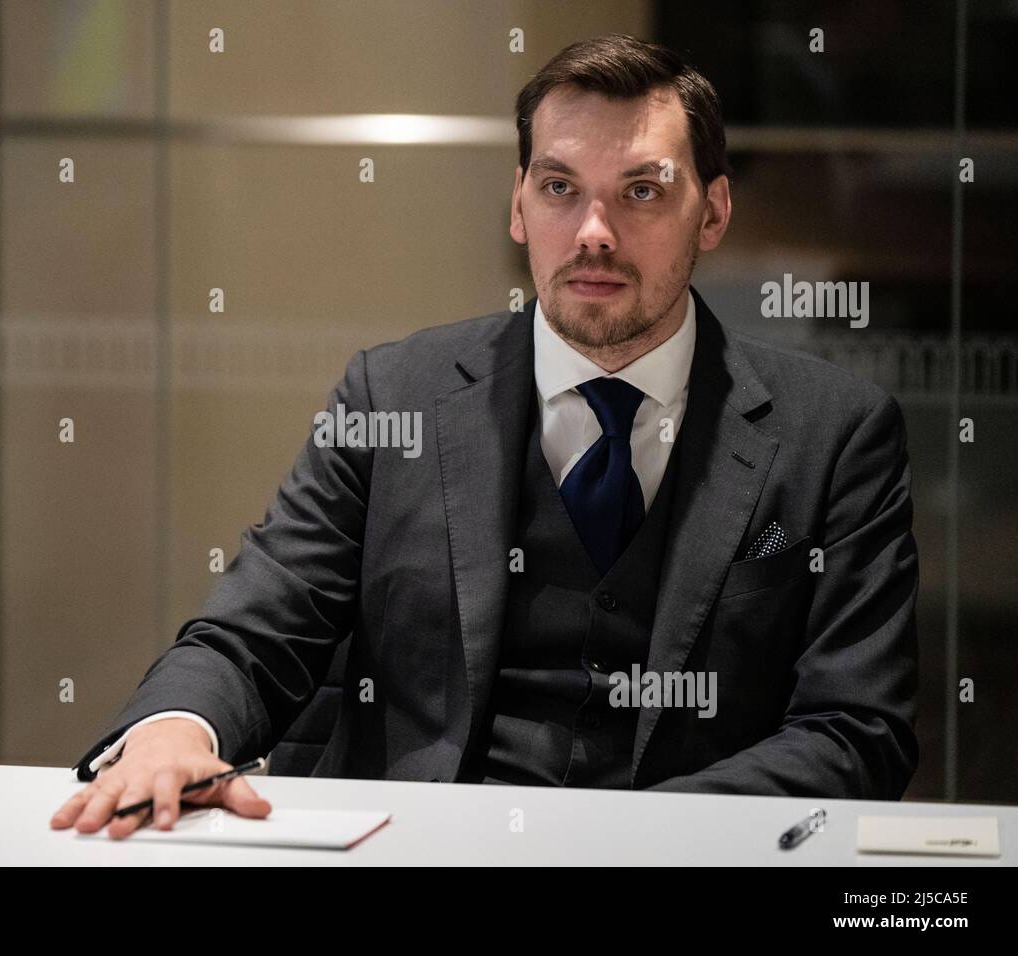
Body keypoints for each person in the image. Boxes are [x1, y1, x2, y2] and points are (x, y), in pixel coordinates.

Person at [51, 33, 918, 840]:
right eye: (559, 187)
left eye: (642, 192)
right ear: (518, 206)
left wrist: (628, 843)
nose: (593, 232)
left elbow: (857, 729)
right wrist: (170, 731)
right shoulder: (392, 398)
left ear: (715, 212)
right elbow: (255, 635)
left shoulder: (836, 433)